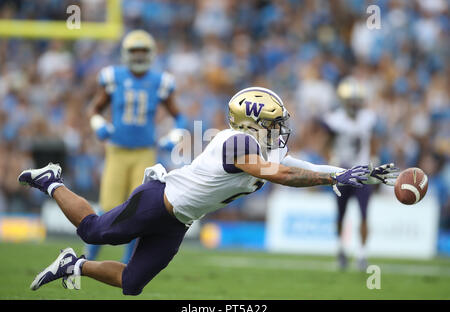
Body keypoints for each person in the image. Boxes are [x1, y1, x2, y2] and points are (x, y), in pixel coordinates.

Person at [19, 87, 397, 296]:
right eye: (272, 123)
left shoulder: (263, 145)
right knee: (93, 231)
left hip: (179, 221)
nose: (279, 130)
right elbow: (280, 175)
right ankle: (51, 179)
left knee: (132, 284)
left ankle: (75, 266)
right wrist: (333, 181)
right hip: (158, 202)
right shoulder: (236, 143)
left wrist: (350, 173)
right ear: (250, 123)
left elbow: (304, 165)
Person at [86, 29, 186, 263]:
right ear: (126, 53)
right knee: (107, 208)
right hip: (117, 150)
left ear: (150, 54)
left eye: (143, 52)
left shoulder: (161, 81)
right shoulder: (113, 77)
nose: (139, 56)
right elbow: (94, 108)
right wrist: (98, 123)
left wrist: (174, 135)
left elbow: (179, 116)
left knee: (138, 209)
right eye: (135, 51)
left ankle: (128, 264)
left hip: (144, 152)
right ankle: (87, 259)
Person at [320, 77, 383, 270]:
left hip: (363, 172)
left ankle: (362, 254)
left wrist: (375, 159)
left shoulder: (369, 118)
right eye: (351, 101)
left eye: (358, 101)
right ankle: (340, 249)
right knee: (341, 215)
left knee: (364, 214)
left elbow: (373, 141)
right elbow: (326, 145)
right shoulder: (334, 119)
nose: (355, 105)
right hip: (343, 172)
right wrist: (331, 159)